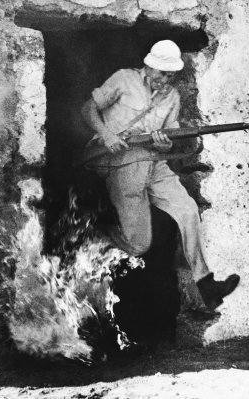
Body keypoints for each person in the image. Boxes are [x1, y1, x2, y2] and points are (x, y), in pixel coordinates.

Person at [81, 40, 239, 310]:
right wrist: (107, 134)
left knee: (188, 209)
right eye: (162, 73)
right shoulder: (124, 79)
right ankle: (93, 234)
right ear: (149, 66)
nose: (166, 80)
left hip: (153, 160)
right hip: (120, 161)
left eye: (171, 75)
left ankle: (207, 285)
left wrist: (167, 145)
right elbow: (87, 109)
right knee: (139, 245)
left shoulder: (172, 96)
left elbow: (171, 135)